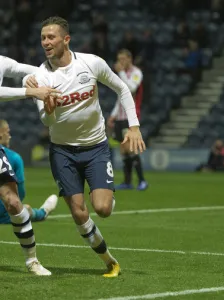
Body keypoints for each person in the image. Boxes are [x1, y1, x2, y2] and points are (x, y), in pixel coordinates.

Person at [25, 16, 146, 278]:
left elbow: (122, 89)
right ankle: (109, 260)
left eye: (51, 37)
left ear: (66, 39)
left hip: (95, 147)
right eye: (43, 37)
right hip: (62, 151)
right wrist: (49, 109)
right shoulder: (39, 76)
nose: (46, 42)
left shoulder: (91, 63)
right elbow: (46, 120)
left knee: (102, 209)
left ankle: (108, 193)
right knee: (79, 211)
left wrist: (134, 126)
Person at [0, 56, 58, 275]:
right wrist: (30, 91)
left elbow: (30, 70)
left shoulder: (2, 62)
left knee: (14, 203)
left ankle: (32, 261)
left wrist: (35, 79)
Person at [0, 119, 58, 224]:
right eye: (7, 132)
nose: (9, 136)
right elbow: (20, 194)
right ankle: (42, 213)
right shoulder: (14, 158)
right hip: (5, 213)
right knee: (26, 210)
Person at [107, 49, 148, 191]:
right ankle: (127, 182)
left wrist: (121, 73)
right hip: (120, 117)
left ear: (130, 59)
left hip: (130, 117)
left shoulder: (136, 73)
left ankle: (142, 181)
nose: (121, 62)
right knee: (124, 151)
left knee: (131, 149)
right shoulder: (122, 75)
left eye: (123, 59)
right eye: (119, 59)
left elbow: (130, 88)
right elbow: (120, 97)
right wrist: (113, 114)